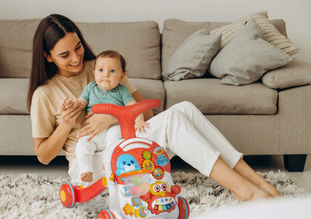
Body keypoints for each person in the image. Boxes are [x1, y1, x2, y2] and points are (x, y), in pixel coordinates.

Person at [27, 14, 281, 202]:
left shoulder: (102, 67)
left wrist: (111, 118)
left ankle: (259, 183)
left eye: (78, 47)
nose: (76, 58)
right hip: (90, 166)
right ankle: (244, 191)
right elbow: (44, 155)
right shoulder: (44, 94)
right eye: (64, 55)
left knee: (185, 109)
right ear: (48, 56)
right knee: (172, 122)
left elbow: (146, 114)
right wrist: (67, 125)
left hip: (121, 142)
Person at [69, 50, 149, 182]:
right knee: (82, 145)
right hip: (93, 132)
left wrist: (139, 121)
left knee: (116, 137)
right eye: (101, 70)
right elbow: (80, 103)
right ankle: (86, 170)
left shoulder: (122, 91)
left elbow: (134, 107)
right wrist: (71, 104)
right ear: (94, 73)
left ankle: (109, 162)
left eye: (112, 71)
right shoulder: (90, 88)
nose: (106, 75)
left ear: (122, 76)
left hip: (112, 128)